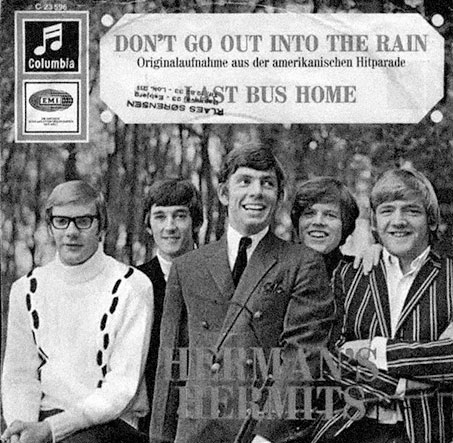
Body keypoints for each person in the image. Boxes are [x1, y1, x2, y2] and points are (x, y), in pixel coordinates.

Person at [150, 145, 335, 443]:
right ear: (224, 193)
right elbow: (169, 368)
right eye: (245, 181)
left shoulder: (301, 262)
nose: (256, 192)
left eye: (267, 183)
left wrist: (266, 435)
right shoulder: (187, 266)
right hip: (197, 432)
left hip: (261, 431)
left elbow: (301, 357)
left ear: (279, 196)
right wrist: (160, 438)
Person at [1, 181, 153, 443]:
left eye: (83, 221)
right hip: (44, 421)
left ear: (101, 227)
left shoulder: (132, 286)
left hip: (110, 426)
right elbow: (20, 375)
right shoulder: (26, 289)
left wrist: (51, 430)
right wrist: (22, 431)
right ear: (50, 227)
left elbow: (120, 388)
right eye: (61, 221)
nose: (71, 232)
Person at [312, 168, 453, 443]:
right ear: (375, 222)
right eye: (387, 211)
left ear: (431, 220)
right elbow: (329, 359)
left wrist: (377, 350)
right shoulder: (350, 275)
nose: (398, 221)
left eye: (412, 211)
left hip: (427, 432)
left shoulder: (450, 278)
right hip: (351, 430)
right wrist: (403, 385)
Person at [137, 178, 203, 431]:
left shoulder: (220, 276)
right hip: (146, 421)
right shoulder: (133, 283)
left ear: (196, 222)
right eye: (160, 217)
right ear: (148, 225)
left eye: (180, 216)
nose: (170, 227)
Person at [290, 177, 360, 278]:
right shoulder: (278, 269)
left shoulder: (358, 273)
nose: (318, 222)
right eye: (309, 213)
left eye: (330, 215)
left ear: (345, 225)